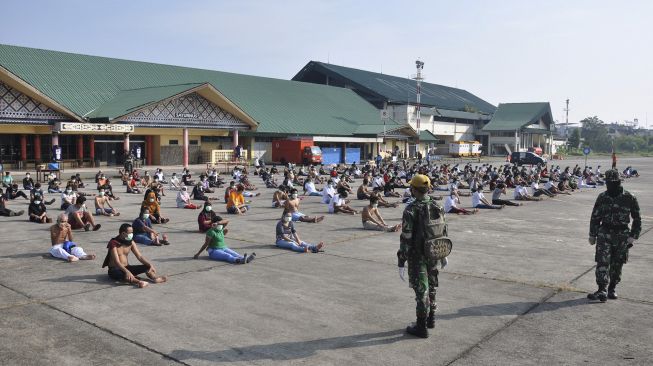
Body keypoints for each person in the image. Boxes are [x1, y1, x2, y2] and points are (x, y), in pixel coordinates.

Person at [397, 174, 448, 338]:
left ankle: (421, 327)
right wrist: (443, 254)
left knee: (421, 291)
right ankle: (431, 319)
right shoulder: (436, 205)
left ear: (414, 190)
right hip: (434, 252)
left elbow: (406, 237)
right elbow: (443, 230)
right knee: (432, 286)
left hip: (417, 255)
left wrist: (401, 259)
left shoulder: (411, 209)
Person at [587, 169, 641, 302]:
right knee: (602, 261)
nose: (609, 185)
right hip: (604, 233)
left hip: (622, 235)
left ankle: (612, 288)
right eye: (607, 182)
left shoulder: (629, 197)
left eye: (612, 182)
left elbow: (637, 218)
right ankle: (602, 289)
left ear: (618, 182)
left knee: (618, 263)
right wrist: (592, 234)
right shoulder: (602, 197)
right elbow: (595, 216)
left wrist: (633, 235)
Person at [102, 223, 168, 288]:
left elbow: (139, 256)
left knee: (147, 267)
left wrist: (150, 264)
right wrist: (127, 272)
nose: (131, 234)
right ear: (123, 233)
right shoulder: (113, 243)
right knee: (123, 275)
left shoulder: (131, 242)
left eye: (132, 232)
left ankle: (155, 278)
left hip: (127, 267)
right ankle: (138, 282)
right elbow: (117, 262)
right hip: (115, 269)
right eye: (130, 233)